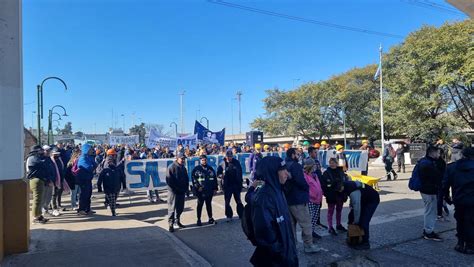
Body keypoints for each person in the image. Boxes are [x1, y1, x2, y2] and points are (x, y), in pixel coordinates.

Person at [248, 156, 299, 267]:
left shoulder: (278, 189)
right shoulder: (264, 197)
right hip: (276, 260)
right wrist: (279, 251)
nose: (287, 173)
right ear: (272, 173)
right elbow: (265, 232)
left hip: (286, 254)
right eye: (283, 170)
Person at [284, 148, 321, 253]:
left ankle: (292, 246)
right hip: (298, 199)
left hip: (288, 199)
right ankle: (308, 245)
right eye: (297, 154)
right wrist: (306, 187)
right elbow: (300, 181)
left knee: (291, 225)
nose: (299, 156)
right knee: (306, 223)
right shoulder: (295, 165)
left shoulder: (285, 164)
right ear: (292, 155)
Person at [443, 147, 474, 254]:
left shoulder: (451, 167)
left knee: (460, 220)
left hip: (459, 199)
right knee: (471, 221)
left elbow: (445, 185)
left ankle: (460, 243)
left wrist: (447, 197)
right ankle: (470, 245)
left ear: (462, 155)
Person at [343, 181, 380, 250]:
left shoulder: (353, 191)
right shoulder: (348, 185)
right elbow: (353, 201)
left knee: (364, 221)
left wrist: (356, 221)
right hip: (364, 199)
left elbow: (357, 207)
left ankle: (365, 243)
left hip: (372, 200)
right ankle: (353, 238)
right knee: (351, 216)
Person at [418, 146, 443, 241]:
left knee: (430, 211)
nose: (439, 155)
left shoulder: (426, 162)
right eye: (438, 153)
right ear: (432, 153)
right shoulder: (427, 164)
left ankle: (428, 230)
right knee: (430, 211)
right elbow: (438, 175)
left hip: (428, 190)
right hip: (429, 191)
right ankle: (428, 232)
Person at [321, 158, 348, 235]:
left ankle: (338, 225)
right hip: (331, 195)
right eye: (330, 163)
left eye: (333, 163)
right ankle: (330, 227)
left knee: (339, 211)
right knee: (330, 211)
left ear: (337, 163)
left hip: (340, 194)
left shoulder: (341, 171)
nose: (332, 164)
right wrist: (327, 194)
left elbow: (344, 181)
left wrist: (344, 190)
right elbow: (324, 185)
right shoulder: (326, 173)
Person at [217, 150, 244, 222]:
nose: (229, 158)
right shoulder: (222, 163)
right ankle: (229, 215)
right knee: (227, 201)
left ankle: (241, 214)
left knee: (238, 200)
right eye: (228, 157)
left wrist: (240, 184)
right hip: (227, 185)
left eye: (231, 157)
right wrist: (221, 176)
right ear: (225, 157)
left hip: (236, 185)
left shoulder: (236, 162)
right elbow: (218, 174)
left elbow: (240, 173)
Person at [191, 155, 218, 226]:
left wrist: (215, 188)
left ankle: (210, 218)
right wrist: (197, 187)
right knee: (200, 205)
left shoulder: (210, 168)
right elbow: (194, 180)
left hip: (209, 190)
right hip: (201, 191)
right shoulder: (196, 169)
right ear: (200, 161)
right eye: (202, 160)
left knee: (209, 205)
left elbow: (214, 179)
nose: (204, 161)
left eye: (205, 160)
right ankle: (199, 219)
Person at [166, 152, 189, 232]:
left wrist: (186, 189)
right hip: (173, 192)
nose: (183, 160)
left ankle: (177, 221)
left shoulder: (183, 168)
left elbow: (186, 179)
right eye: (181, 158)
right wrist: (175, 190)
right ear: (177, 158)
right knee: (172, 209)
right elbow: (169, 181)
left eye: (184, 159)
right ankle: (170, 224)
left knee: (180, 208)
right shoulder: (171, 167)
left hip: (181, 191)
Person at [26, 145, 49, 224]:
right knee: (37, 200)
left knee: (39, 199)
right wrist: (45, 157)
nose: (42, 152)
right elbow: (42, 165)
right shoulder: (32, 158)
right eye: (40, 150)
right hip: (35, 180)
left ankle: (39, 215)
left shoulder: (35, 157)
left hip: (38, 180)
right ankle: (36, 216)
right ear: (36, 151)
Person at [303, 158, 324, 239]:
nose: (315, 166)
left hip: (318, 199)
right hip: (311, 200)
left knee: (315, 218)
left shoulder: (314, 175)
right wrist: (312, 195)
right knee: (310, 218)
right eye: (314, 165)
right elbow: (306, 188)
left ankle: (312, 231)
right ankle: (308, 234)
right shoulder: (305, 175)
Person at [97, 149, 122, 216]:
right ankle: (112, 210)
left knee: (113, 199)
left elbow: (120, 175)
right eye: (114, 155)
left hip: (114, 186)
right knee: (112, 199)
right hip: (110, 186)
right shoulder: (106, 165)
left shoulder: (114, 165)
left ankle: (110, 206)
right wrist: (99, 187)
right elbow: (100, 176)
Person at [76, 143, 97, 215]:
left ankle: (87, 209)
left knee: (89, 194)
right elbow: (89, 167)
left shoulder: (89, 157)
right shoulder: (82, 158)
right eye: (90, 149)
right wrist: (92, 165)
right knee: (83, 194)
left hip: (88, 179)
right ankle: (81, 209)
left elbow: (94, 165)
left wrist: (93, 164)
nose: (91, 150)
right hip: (83, 179)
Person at [51, 147, 69, 214]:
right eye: (55, 154)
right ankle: (54, 207)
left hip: (61, 178)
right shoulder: (51, 160)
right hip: (54, 179)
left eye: (57, 154)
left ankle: (59, 205)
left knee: (59, 193)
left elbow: (62, 168)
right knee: (54, 194)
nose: (56, 155)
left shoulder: (59, 160)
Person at [41, 145, 57, 217]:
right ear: (43, 151)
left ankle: (46, 210)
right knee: (43, 197)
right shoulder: (42, 160)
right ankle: (42, 211)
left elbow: (53, 170)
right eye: (46, 150)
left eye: (49, 150)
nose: (48, 152)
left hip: (51, 181)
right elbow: (44, 172)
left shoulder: (49, 159)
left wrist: (53, 180)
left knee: (48, 197)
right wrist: (48, 180)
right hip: (46, 182)